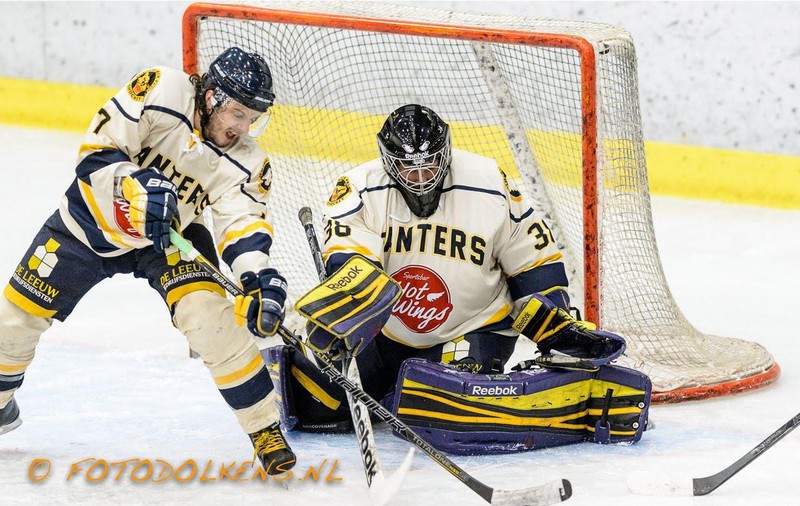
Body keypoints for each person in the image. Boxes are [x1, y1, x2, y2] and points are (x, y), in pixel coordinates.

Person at [266, 104, 648, 454]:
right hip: (384, 334)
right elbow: (354, 268)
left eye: (430, 165)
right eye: (408, 169)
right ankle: (382, 383)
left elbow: (532, 259)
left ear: (446, 153)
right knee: (318, 400)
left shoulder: (489, 184)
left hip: (472, 330)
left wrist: (552, 317)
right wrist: (343, 316)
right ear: (388, 162)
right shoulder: (359, 188)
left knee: (435, 399)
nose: (420, 179)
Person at [0, 47, 296, 475]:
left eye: (253, 118)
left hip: (171, 240)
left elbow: (242, 224)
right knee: (15, 318)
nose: (243, 127)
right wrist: (138, 187)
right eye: (237, 113)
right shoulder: (162, 89)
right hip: (92, 223)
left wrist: (258, 276)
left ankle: (263, 427)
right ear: (211, 96)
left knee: (209, 318)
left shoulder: (248, 161)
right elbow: (95, 152)